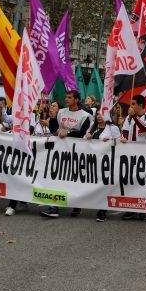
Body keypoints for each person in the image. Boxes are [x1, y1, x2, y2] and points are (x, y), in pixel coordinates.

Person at [40, 91, 92, 219]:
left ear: (77, 100)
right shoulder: (61, 112)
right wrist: (52, 118)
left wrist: (67, 134)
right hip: (61, 152)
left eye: (69, 97)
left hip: (77, 152)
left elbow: (83, 134)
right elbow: (55, 130)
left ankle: (77, 206)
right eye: (66, 97)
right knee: (57, 178)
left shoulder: (85, 116)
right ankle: (54, 207)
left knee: (75, 179)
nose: (66, 99)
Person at [86, 111, 122, 222]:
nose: (99, 116)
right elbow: (84, 142)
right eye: (97, 114)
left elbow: (120, 142)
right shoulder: (92, 128)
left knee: (105, 184)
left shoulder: (113, 128)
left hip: (108, 161)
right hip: (94, 162)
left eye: (102, 114)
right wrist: (87, 137)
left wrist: (110, 141)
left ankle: (102, 210)